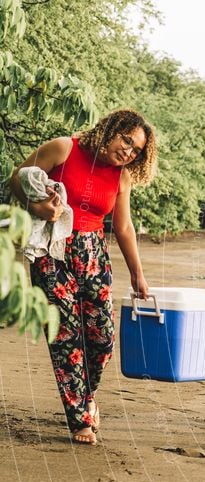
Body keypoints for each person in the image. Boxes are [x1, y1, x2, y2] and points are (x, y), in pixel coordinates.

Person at [10, 109, 158, 446]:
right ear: (110, 130)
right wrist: (37, 208)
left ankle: (87, 394)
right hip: (53, 250)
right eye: (126, 140)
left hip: (93, 253)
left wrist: (138, 274)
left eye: (136, 149)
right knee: (66, 336)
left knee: (102, 338)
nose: (128, 151)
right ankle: (80, 419)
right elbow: (17, 177)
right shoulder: (64, 148)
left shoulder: (121, 177)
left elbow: (123, 226)